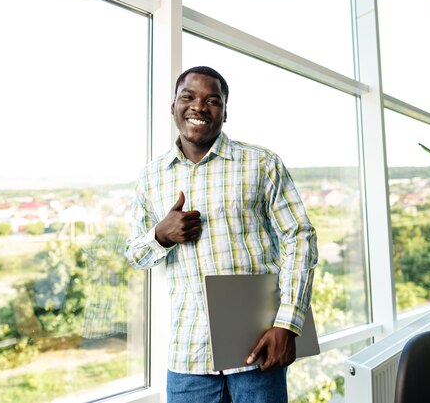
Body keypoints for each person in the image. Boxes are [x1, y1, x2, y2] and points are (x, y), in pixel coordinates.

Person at [125, 66, 318, 403]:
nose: (199, 106)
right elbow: (134, 253)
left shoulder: (261, 163)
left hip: (257, 346)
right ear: (173, 106)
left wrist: (289, 323)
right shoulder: (151, 178)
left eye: (212, 100)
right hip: (188, 355)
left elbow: (300, 237)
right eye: (188, 97)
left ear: (225, 112)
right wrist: (161, 234)